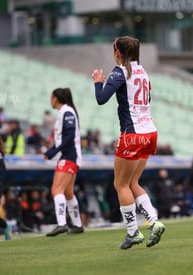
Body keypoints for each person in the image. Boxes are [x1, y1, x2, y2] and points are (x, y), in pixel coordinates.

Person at [92, 36, 165, 249]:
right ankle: (154, 221)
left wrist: (98, 82)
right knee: (133, 183)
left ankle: (133, 232)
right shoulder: (142, 71)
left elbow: (101, 98)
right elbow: (147, 99)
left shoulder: (120, 71)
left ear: (118, 53)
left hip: (132, 134)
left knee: (121, 184)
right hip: (150, 133)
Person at [43, 88, 84, 236]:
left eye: (51, 97)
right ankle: (78, 225)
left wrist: (54, 151)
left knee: (56, 190)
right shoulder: (66, 112)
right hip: (71, 156)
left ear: (55, 98)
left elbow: (70, 136)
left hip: (69, 156)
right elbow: (64, 138)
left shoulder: (67, 112)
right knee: (68, 192)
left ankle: (61, 224)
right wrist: (51, 151)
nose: (50, 100)